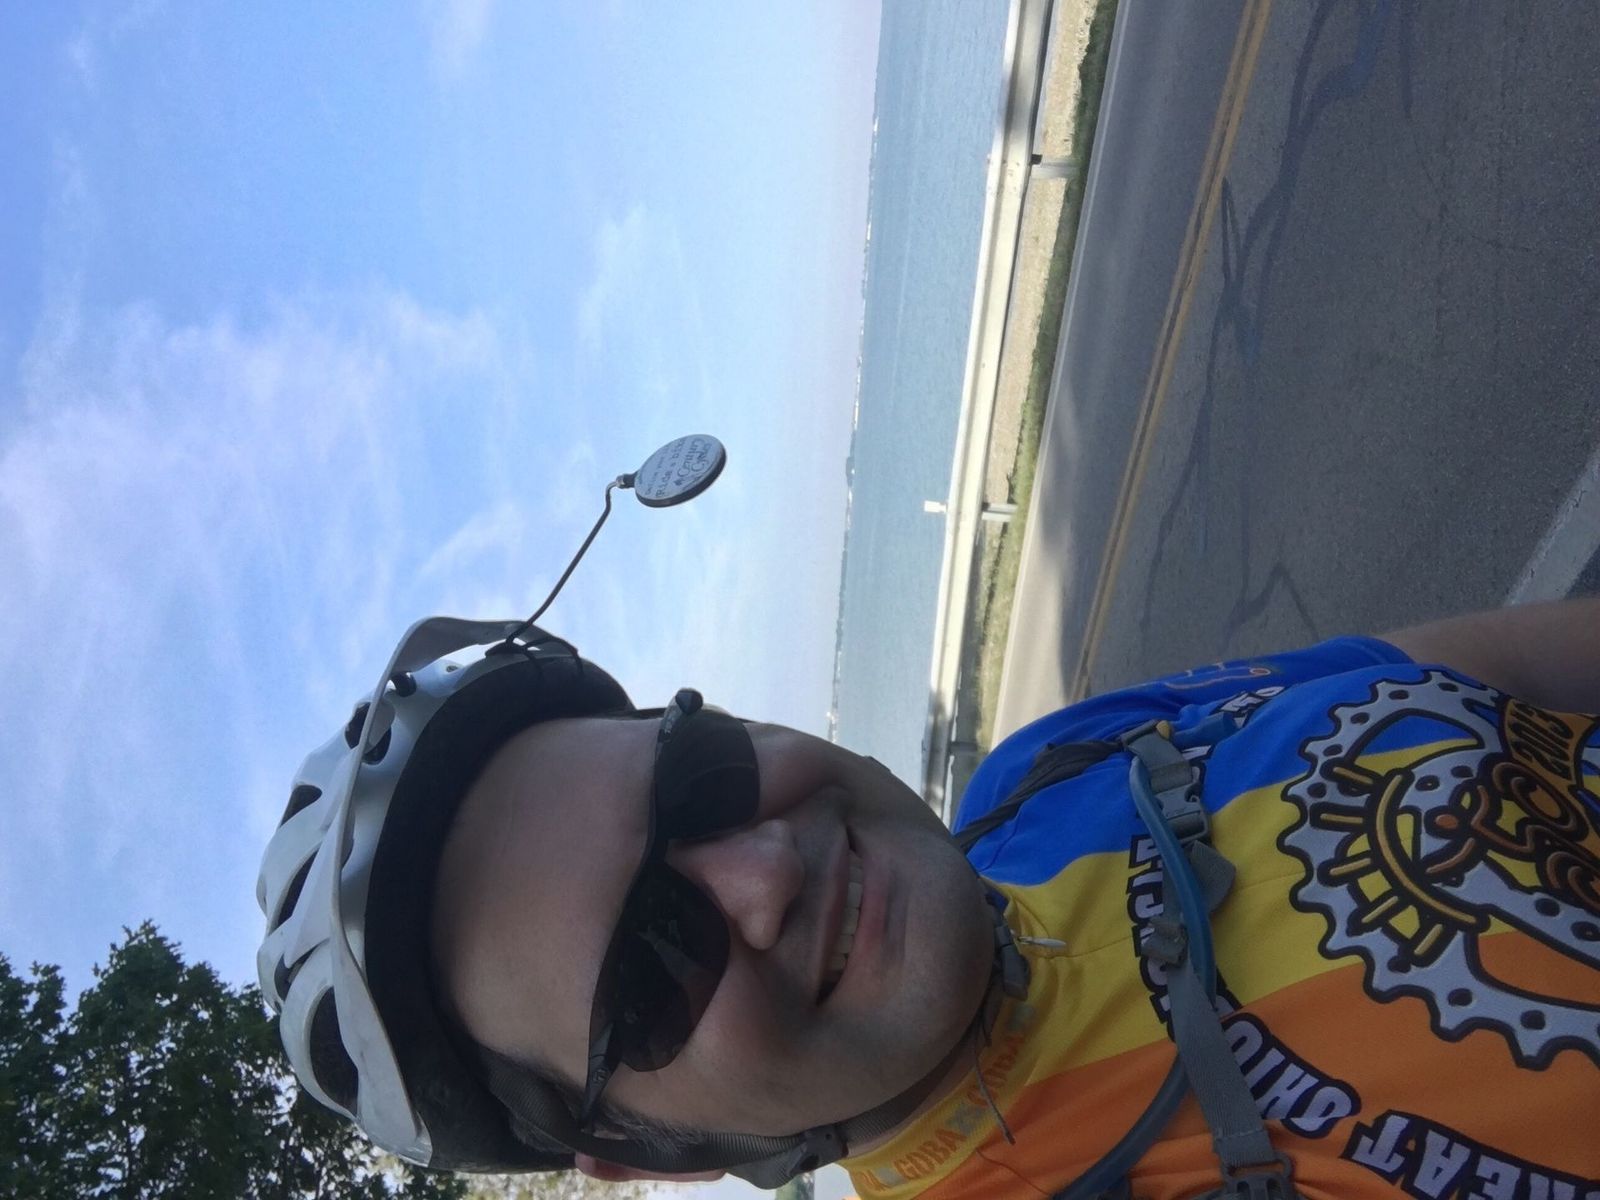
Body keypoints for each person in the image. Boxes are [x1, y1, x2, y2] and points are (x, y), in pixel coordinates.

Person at [257, 597, 1600, 1199]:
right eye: (655, 964)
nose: (766, 875)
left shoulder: (1054, 769)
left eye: (700, 779)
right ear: (647, 1155)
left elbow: (1510, 667)